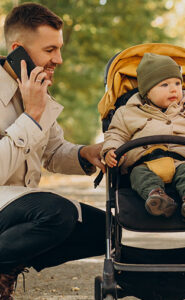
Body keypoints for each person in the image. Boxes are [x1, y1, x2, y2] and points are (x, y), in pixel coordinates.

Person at [0, 3, 107, 299]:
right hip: (7, 205)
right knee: (57, 213)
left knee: (111, 231)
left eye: (59, 49)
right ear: (17, 49)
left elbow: (52, 150)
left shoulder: (37, 92)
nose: (58, 59)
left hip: (20, 206)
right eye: (50, 50)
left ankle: (9, 262)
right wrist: (31, 117)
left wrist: (87, 153)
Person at [102, 52, 185, 223]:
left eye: (177, 83)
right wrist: (112, 150)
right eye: (164, 85)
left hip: (182, 162)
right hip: (144, 163)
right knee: (139, 176)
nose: (174, 89)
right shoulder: (127, 113)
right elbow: (116, 134)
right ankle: (156, 198)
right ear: (146, 91)